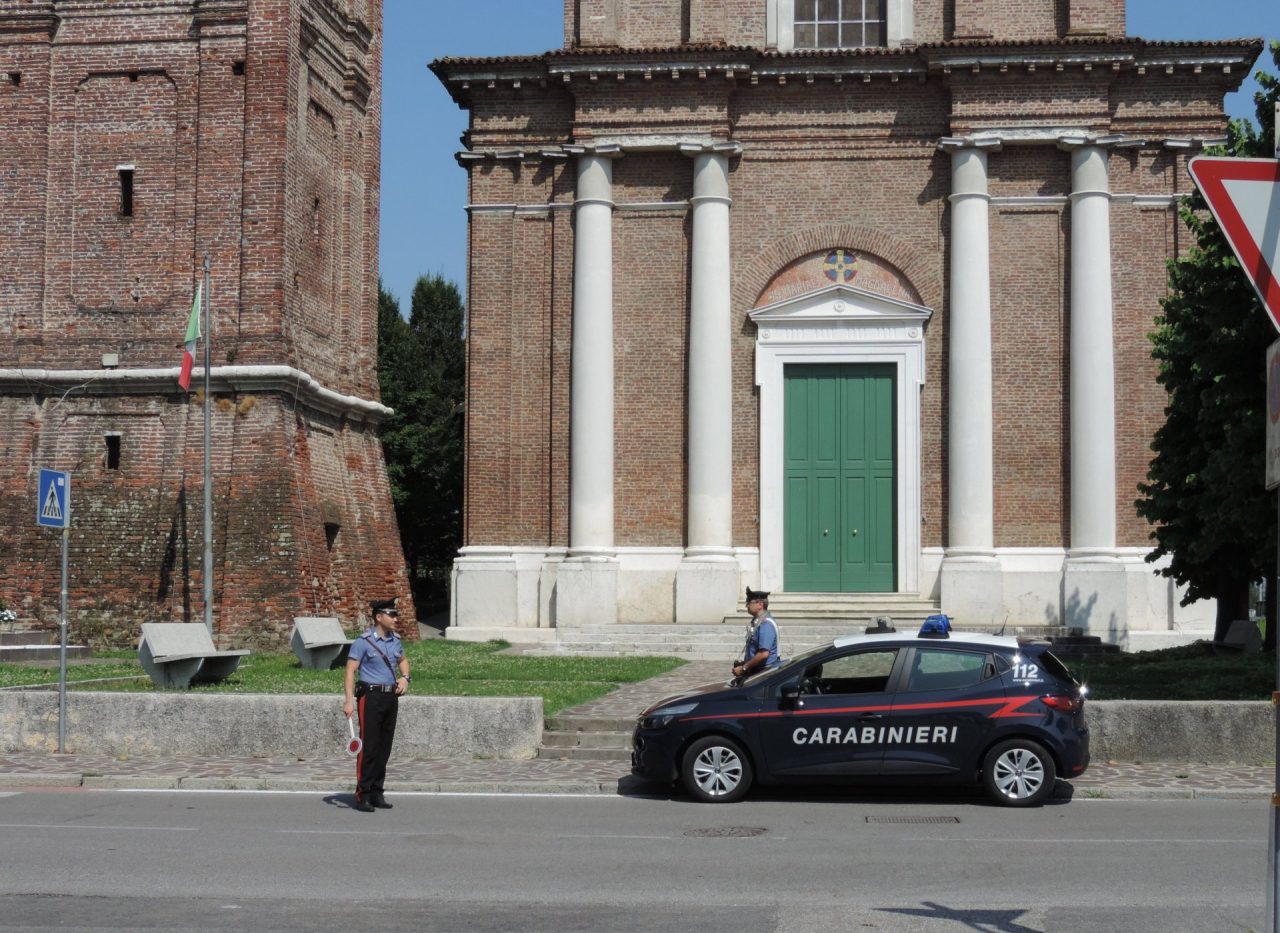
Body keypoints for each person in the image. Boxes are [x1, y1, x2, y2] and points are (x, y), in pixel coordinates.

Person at [343, 598, 410, 812]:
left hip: (390, 697)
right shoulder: (363, 642)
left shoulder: (395, 641)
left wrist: (405, 678)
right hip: (370, 698)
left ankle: (377, 792)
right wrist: (348, 701)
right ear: (379, 617)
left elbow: (402, 661)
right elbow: (350, 671)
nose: (395, 618)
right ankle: (362, 793)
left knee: (384, 747)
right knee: (369, 747)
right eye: (391, 615)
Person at [733, 587, 780, 679]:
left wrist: (743, 668)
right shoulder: (758, 621)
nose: (746, 606)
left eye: (749, 603)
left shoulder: (766, 624)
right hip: (757, 671)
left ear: (760, 604)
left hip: (763, 674)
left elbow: (763, 654)